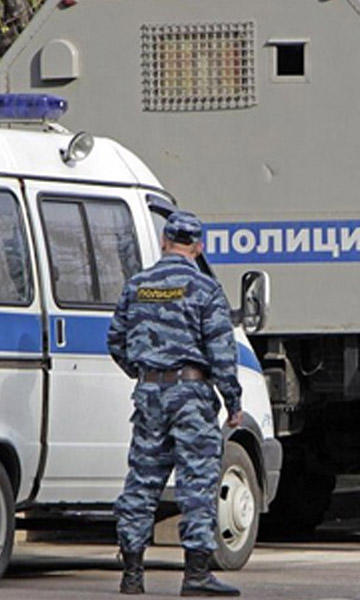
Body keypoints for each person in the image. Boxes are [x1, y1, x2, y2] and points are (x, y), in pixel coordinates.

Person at [107, 210, 243, 596]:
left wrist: (144, 374)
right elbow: (221, 352)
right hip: (191, 396)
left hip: (150, 395)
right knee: (196, 483)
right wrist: (232, 400)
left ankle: (132, 574)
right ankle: (196, 575)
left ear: (165, 241)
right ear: (198, 247)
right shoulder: (204, 289)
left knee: (142, 482)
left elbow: (115, 340)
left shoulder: (137, 285)